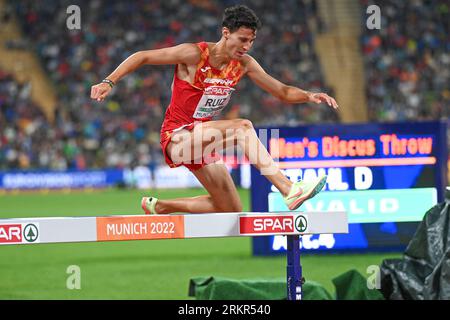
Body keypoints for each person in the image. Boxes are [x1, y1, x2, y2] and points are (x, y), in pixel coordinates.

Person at [90, 5, 339, 215]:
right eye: (242, 39)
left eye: (251, 41)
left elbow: (282, 91)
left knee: (230, 208)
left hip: (202, 141)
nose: (247, 46)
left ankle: (164, 206)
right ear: (226, 33)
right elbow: (142, 56)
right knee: (243, 127)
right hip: (177, 137)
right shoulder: (194, 54)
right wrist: (108, 81)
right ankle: (288, 189)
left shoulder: (244, 64)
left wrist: (308, 95)